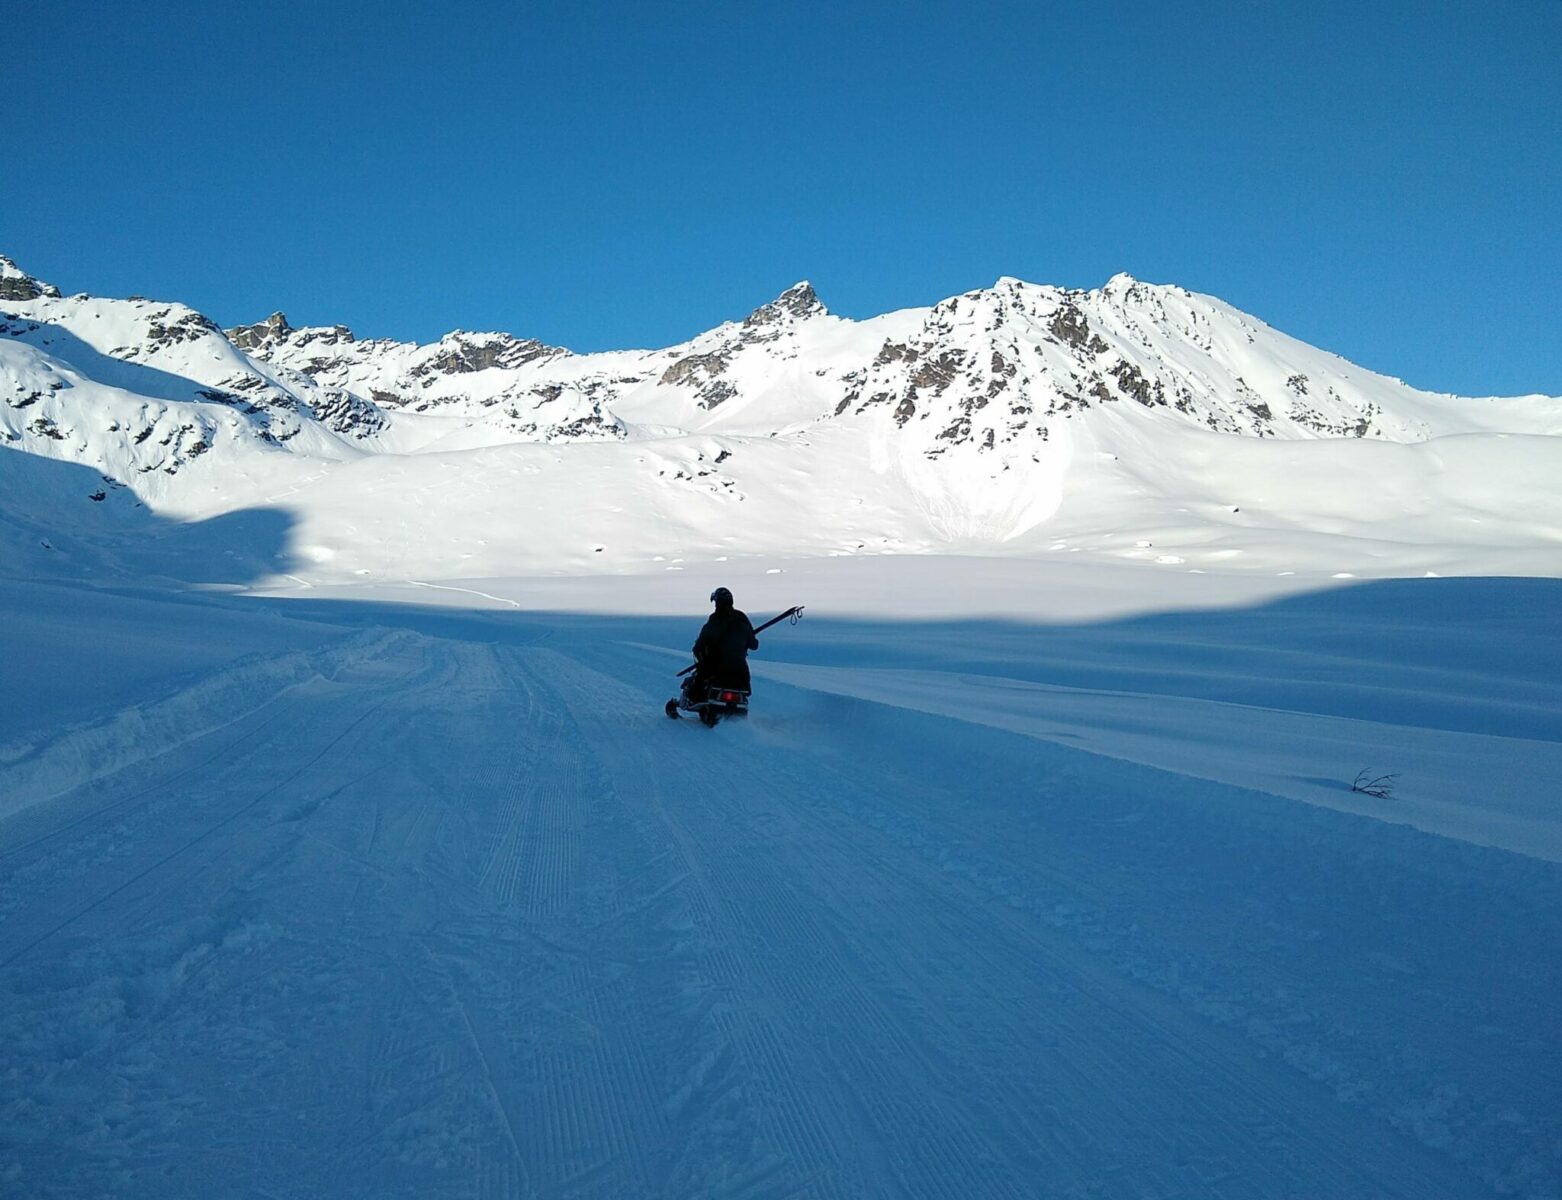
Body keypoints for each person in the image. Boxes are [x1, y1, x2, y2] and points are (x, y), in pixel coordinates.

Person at [683, 587, 759, 702]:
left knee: (698, 686)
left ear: (718, 602)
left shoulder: (714, 620)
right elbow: (754, 645)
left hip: (717, 668)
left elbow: (700, 645)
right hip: (740, 670)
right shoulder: (741, 618)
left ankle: (695, 698)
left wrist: (701, 657)